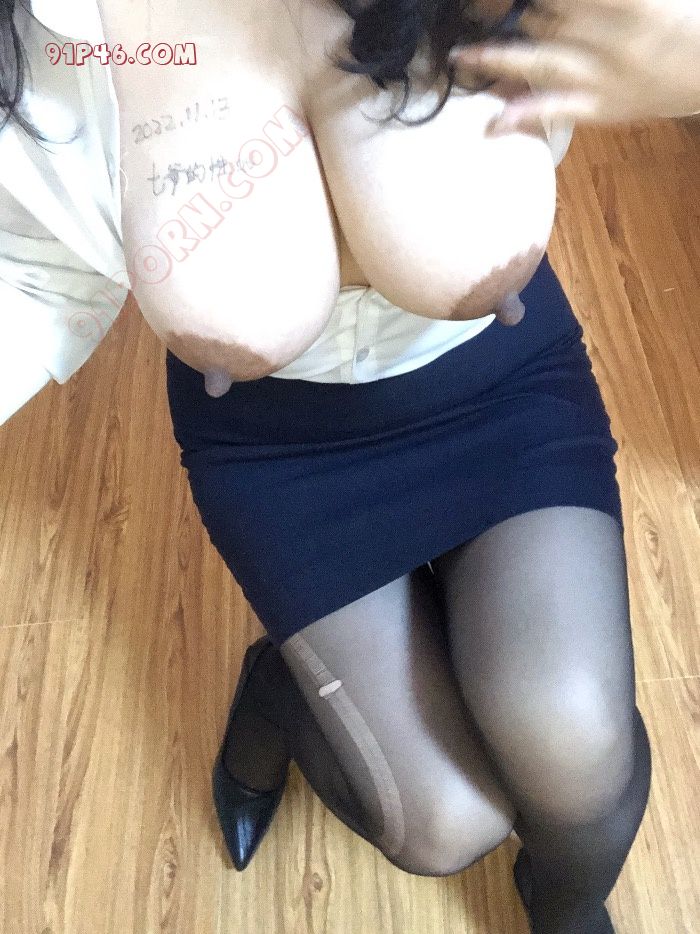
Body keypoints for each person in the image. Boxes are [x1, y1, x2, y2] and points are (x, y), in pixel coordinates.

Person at [1, 2, 698, 933]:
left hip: (498, 386)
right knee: (443, 824)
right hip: (281, 452)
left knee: (577, 747)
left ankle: (565, 909)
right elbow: (33, 273)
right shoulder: (55, 28)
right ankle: (281, 691)